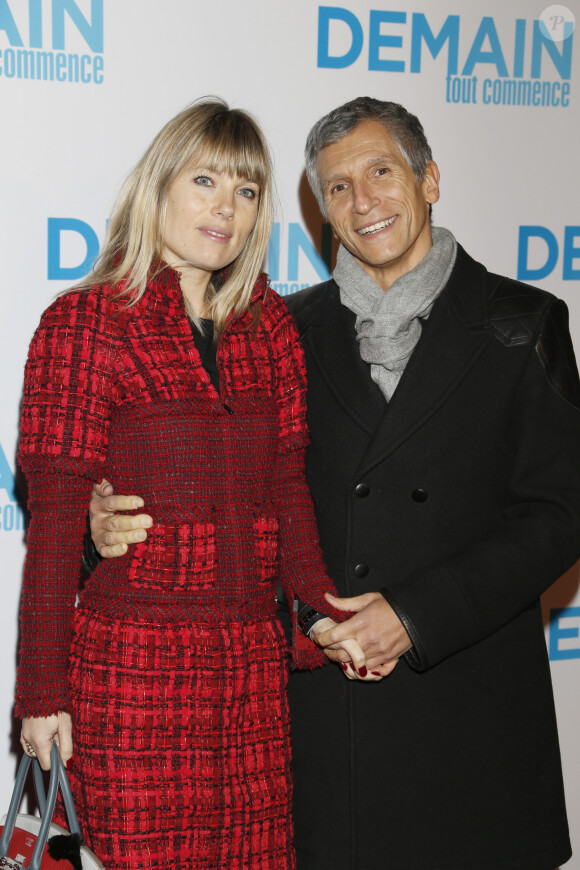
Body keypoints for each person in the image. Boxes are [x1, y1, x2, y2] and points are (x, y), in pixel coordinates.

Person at [85, 97, 580, 870]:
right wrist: (99, 521)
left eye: (381, 172)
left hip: (469, 715)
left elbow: (557, 517)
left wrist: (414, 617)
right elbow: (212, 498)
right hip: (325, 731)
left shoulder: (523, 320)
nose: (362, 202)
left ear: (430, 179)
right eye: (336, 188)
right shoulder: (276, 327)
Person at [15, 97, 369, 870]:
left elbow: (286, 492)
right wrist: (41, 691)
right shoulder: (85, 323)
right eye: (205, 180)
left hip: (250, 675)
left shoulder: (268, 324)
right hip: (133, 673)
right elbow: (53, 522)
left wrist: (322, 610)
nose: (226, 208)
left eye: (246, 192)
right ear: (160, 186)